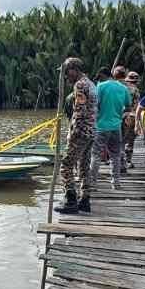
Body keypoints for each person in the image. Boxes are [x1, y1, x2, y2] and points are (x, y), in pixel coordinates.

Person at [54, 57, 98, 213]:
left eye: (66, 72)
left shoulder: (80, 85)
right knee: (84, 167)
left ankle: (71, 201)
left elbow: (80, 112)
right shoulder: (91, 84)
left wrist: (73, 133)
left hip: (80, 132)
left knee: (66, 165)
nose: (65, 76)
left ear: (74, 70)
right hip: (91, 131)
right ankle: (85, 200)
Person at [91, 65, 131, 191]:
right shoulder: (123, 88)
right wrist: (120, 114)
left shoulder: (100, 87)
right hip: (116, 127)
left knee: (96, 155)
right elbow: (128, 107)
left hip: (101, 127)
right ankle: (116, 183)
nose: (98, 80)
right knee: (115, 156)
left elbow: (95, 105)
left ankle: (92, 183)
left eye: (99, 77)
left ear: (103, 75)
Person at [114, 67, 140, 171]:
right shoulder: (135, 90)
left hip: (118, 116)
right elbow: (137, 106)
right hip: (131, 117)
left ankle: (119, 161)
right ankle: (128, 161)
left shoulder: (118, 87)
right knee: (130, 140)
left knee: (119, 141)